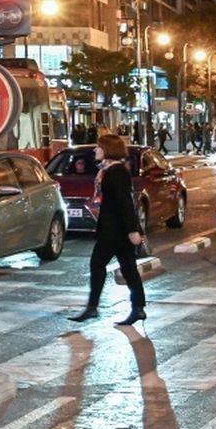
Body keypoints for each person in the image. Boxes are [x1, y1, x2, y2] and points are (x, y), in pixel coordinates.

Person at [69, 133, 147, 326]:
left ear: (108, 150)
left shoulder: (116, 171)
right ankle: (138, 308)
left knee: (97, 264)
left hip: (115, 229)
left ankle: (93, 307)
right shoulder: (108, 170)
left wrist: (132, 229)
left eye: (98, 147)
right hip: (116, 228)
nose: (95, 150)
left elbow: (125, 201)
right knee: (128, 268)